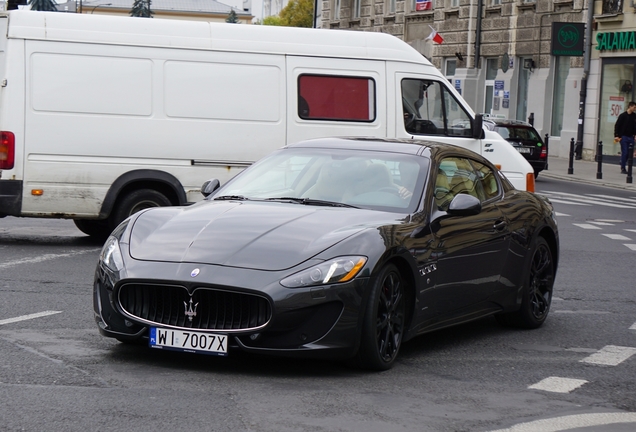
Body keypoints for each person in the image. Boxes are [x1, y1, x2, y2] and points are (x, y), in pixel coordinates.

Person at [614, 101, 636, 174]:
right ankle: (623, 168)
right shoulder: (623, 116)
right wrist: (616, 135)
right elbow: (617, 125)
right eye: (634, 107)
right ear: (630, 106)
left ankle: (622, 161)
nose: (635, 108)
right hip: (623, 137)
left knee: (630, 153)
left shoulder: (634, 116)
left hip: (631, 137)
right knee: (625, 152)